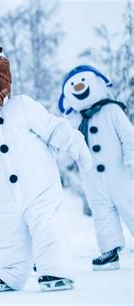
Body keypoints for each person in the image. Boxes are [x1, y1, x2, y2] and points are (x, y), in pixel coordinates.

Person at [0, 43, 92, 292]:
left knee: (47, 227)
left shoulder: (23, 106)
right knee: (5, 235)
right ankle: (11, 271)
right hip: (1, 199)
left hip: (39, 189)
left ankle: (54, 269)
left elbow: (53, 127)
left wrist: (74, 143)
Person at [58, 65, 133, 271]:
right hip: (92, 180)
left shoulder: (112, 110)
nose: (79, 86)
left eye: (83, 81)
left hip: (121, 175)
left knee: (131, 207)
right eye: (72, 85)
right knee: (102, 214)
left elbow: (129, 136)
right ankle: (110, 251)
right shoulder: (74, 120)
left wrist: (131, 160)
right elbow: (68, 145)